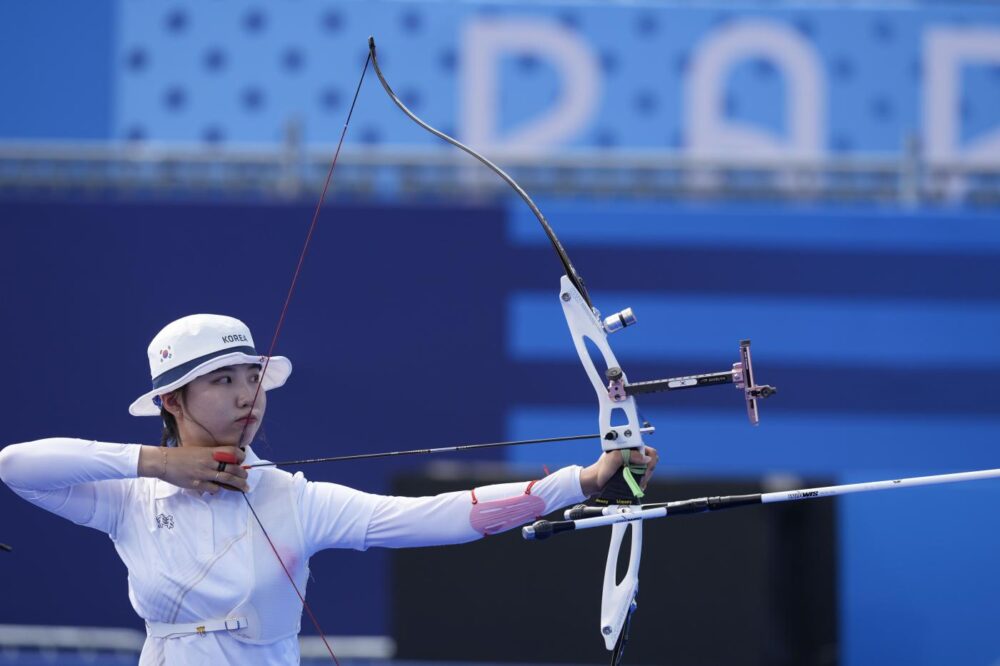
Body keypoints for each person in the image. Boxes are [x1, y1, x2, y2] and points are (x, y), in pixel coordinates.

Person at [0, 314, 657, 665]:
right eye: (221, 381)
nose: (246, 394)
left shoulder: (295, 500)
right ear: (172, 400)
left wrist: (587, 479)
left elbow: (442, 515)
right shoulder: (127, 497)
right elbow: (15, 465)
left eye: (249, 376)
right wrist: (158, 464)